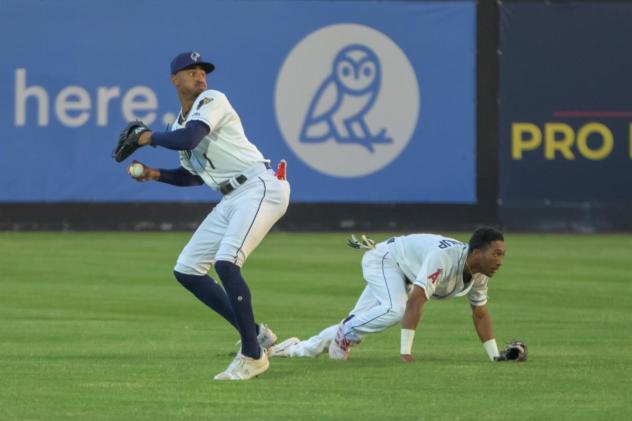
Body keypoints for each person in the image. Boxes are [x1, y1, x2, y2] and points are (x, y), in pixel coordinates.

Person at [123, 51, 290, 380]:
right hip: (231, 197)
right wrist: (155, 174)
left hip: (259, 186)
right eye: (191, 71)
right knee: (187, 270)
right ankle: (256, 333)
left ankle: (252, 355)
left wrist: (147, 137)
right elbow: (193, 176)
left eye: (203, 71)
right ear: (175, 80)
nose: (200, 76)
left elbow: (189, 138)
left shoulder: (213, 99)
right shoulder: (177, 124)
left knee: (227, 263)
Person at [269, 227, 506, 362]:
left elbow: (480, 314)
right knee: (394, 309)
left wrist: (495, 357)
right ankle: (345, 332)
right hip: (386, 259)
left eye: (502, 255)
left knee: (360, 320)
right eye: (496, 254)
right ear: (476, 253)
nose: (500, 261)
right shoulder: (444, 257)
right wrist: (405, 352)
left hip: (401, 272)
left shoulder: (479, 275)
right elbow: (416, 300)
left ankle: (293, 349)